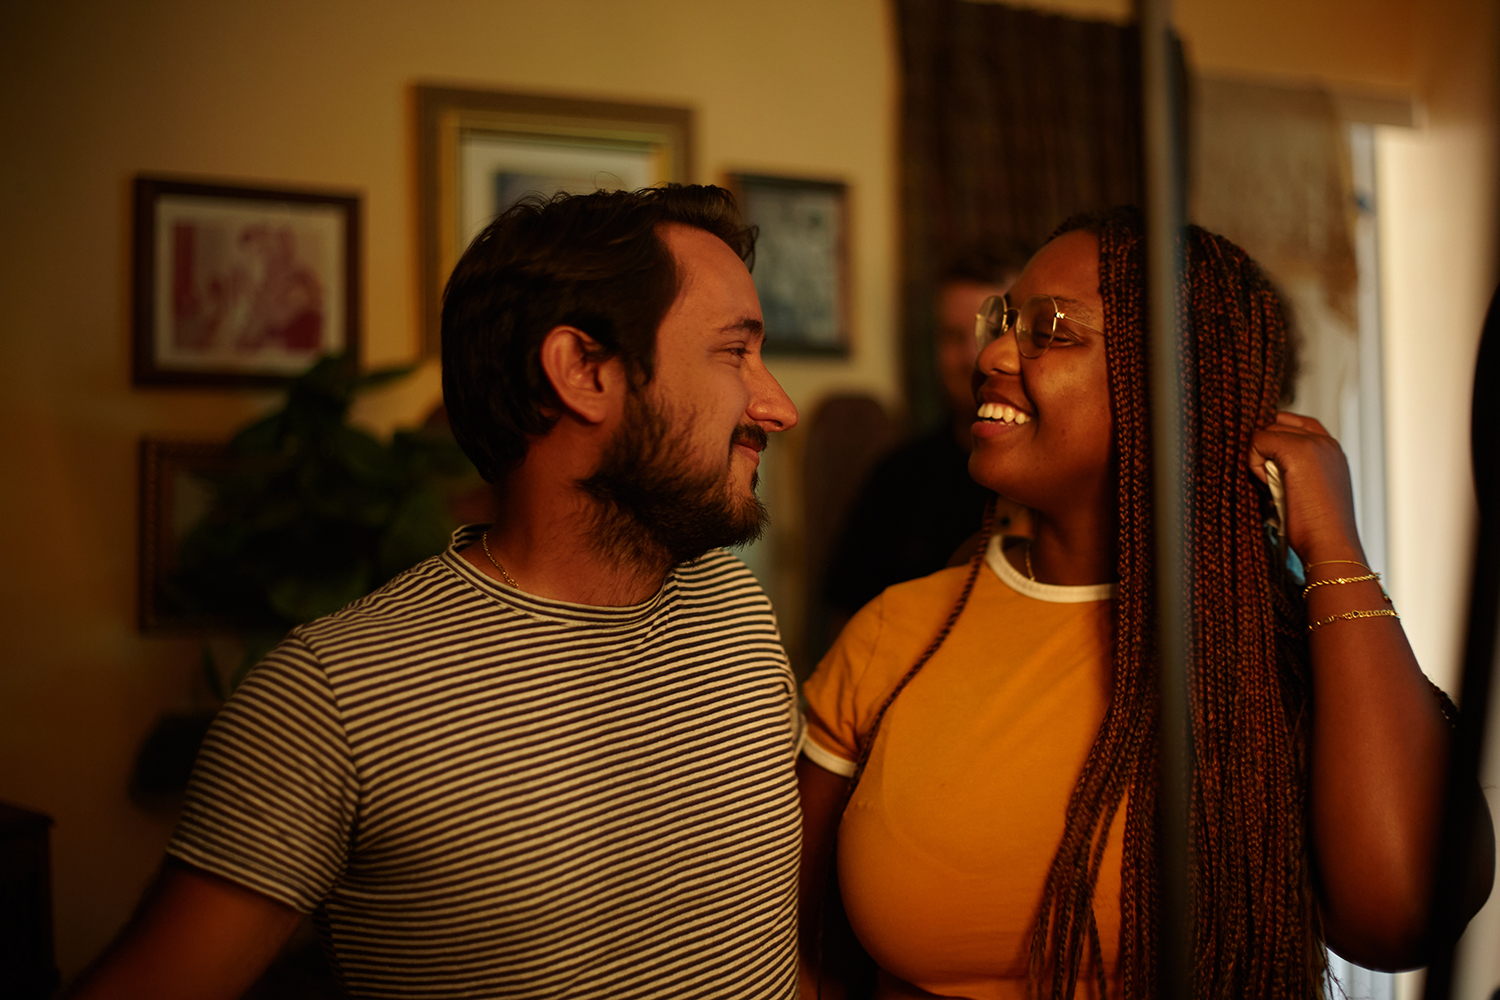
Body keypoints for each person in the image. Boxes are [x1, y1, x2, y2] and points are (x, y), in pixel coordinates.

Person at [70, 185, 803, 999]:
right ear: (583, 372)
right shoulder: (334, 698)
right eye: (736, 353)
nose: (780, 406)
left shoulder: (732, 609)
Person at [797, 208, 1495, 1000]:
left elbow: (1400, 917)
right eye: (1004, 322)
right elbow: (808, 953)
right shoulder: (899, 631)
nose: (990, 355)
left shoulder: (1264, 649)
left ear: (1173, 391)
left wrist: (1335, 548)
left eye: (1050, 330)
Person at [822, 249, 1032, 631]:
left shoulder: (1054, 476)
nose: (974, 357)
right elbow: (847, 622)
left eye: (992, 332)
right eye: (953, 336)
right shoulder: (896, 478)